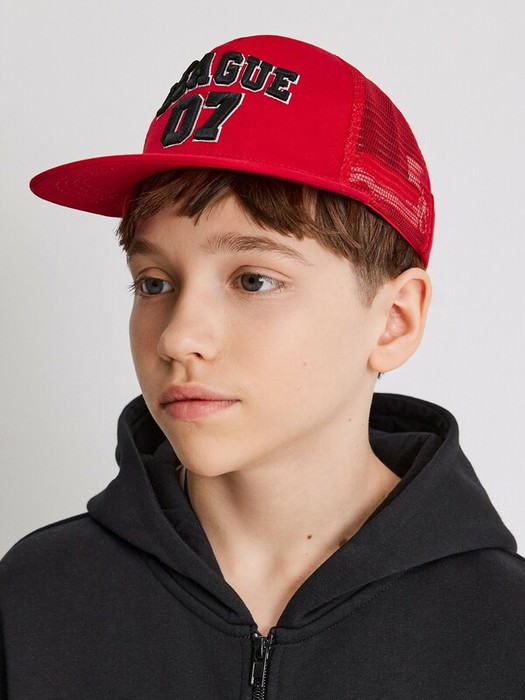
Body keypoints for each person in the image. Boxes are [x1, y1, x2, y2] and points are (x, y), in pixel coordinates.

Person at [1, 34, 524, 700]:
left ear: (394, 320)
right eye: (154, 283)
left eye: (253, 280)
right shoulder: (34, 598)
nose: (178, 338)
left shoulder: (506, 629)